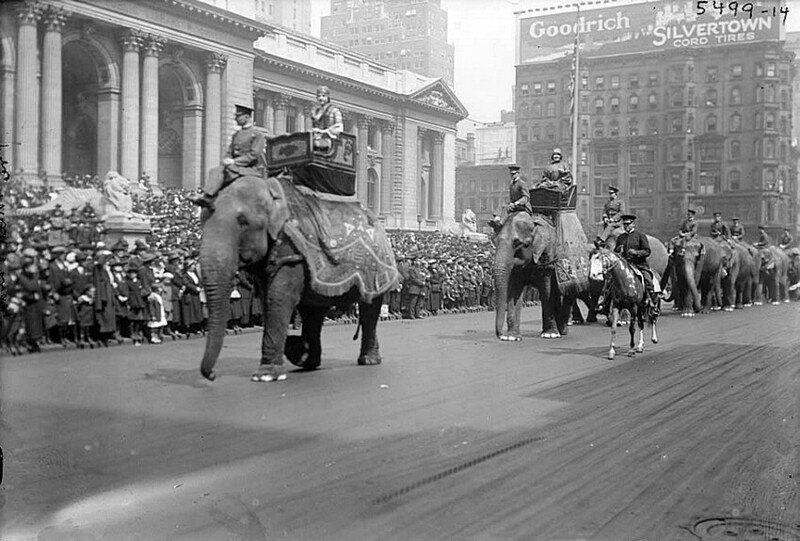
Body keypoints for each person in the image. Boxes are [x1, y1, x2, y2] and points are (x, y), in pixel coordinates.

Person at [192, 104, 267, 209]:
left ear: (247, 117)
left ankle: (208, 196)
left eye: (238, 116)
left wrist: (234, 162)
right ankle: (210, 197)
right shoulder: (236, 135)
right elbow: (229, 151)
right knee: (215, 170)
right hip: (234, 166)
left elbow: (253, 154)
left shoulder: (257, 135)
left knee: (218, 171)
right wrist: (226, 159)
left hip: (249, 168)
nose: (236, 118)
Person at [614, 214, 659, 315]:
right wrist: (618, 251)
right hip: (625, 266)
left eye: (628, 224)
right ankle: (605, 303)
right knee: (611, 282)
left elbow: (647, 251)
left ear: (633, 224)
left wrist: (636, 253)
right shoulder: (621, 237)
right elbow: (615, 251)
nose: (626, 226)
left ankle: (650, 302)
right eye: (624, 224)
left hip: (639, 264)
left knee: (647, 279)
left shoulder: (640, 236)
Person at [311, 85, 344, 150]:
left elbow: (339, 128)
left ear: (327, 97)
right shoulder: (316, 112)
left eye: (323, 96)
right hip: (317, 139)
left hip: (330, 141)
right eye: (319, 96)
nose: (321, 98)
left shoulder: (334, 110)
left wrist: (323, 131)